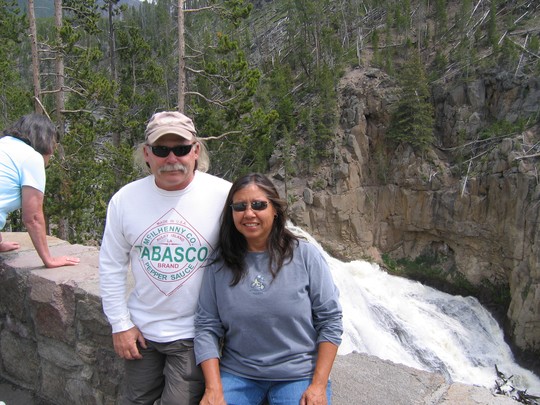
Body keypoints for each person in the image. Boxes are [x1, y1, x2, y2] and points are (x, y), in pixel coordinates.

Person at [99, 111, 231, 405]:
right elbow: (111, 265)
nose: (172, 158)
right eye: (161, 150)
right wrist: (120, 324)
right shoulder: (124, 200)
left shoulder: (223, 196)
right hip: (142, 332)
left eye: (181, 149)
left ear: (196, 151)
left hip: (195, 334)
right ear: (147, 154)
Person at [195, 173, 343, 405]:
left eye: (258, 205)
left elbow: (330, 320)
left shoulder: (305, 255)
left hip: (297, 374)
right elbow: (206, 326)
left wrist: (318, 385)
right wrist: (213, 389)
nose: (249, 213)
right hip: (239, 373)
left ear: (275, 210)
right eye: (240, 206)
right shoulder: (219, 263)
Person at [0, 113, 80, 268]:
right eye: (54, 144)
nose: (53, 151)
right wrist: (49, 260)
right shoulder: (31, 158)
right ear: (45, 139)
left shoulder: (4, 145)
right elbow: (33, 217)